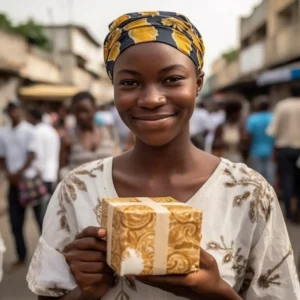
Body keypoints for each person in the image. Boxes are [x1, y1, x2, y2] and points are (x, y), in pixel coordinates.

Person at [27, 12, 300, 300]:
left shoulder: (248, 193)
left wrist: (219, 293)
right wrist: (87, 292)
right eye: (130, 83)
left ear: (198, 83)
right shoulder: (78, 190)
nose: (151, 99)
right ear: (114, 88)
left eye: (172, 79)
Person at [0, 100, 45, 269]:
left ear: (21, 110)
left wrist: (18, 173)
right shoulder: (3, 133)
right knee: (15, 222)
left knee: (40, 221)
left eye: (16, 109)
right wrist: (8, 173)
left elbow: (32, 154)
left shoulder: (30, 131)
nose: (14, 113)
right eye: (11, 110)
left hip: (29, 180)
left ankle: (47, 257)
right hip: (13, 183)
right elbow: (2, 157)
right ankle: (21, 256)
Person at [59, 91, 115, 179]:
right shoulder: (68, 138)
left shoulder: (107, 132)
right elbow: (61, 171)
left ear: (95, 109)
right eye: (77, 112)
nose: (81, 116)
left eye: (86, 111)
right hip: (79, 191)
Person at [267, 87, 300, 222]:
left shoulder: (282, 106)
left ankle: (289, 213)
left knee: (286, 179)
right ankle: (298, 211)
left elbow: (272, 131)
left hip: (285, 149)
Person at [27, 109, 60, 197]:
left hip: (40, 175)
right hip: (51, 174)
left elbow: (34, 153)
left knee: (40, 207)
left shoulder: (36, 131)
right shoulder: (53, 132)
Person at [246, 96, 274, 185]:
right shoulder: (272, 117)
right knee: (270, 175)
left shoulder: (252, 119)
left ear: (258, 106)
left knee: (257, 176)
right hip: (271, 150)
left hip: (255, 150)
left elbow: (249, 136)